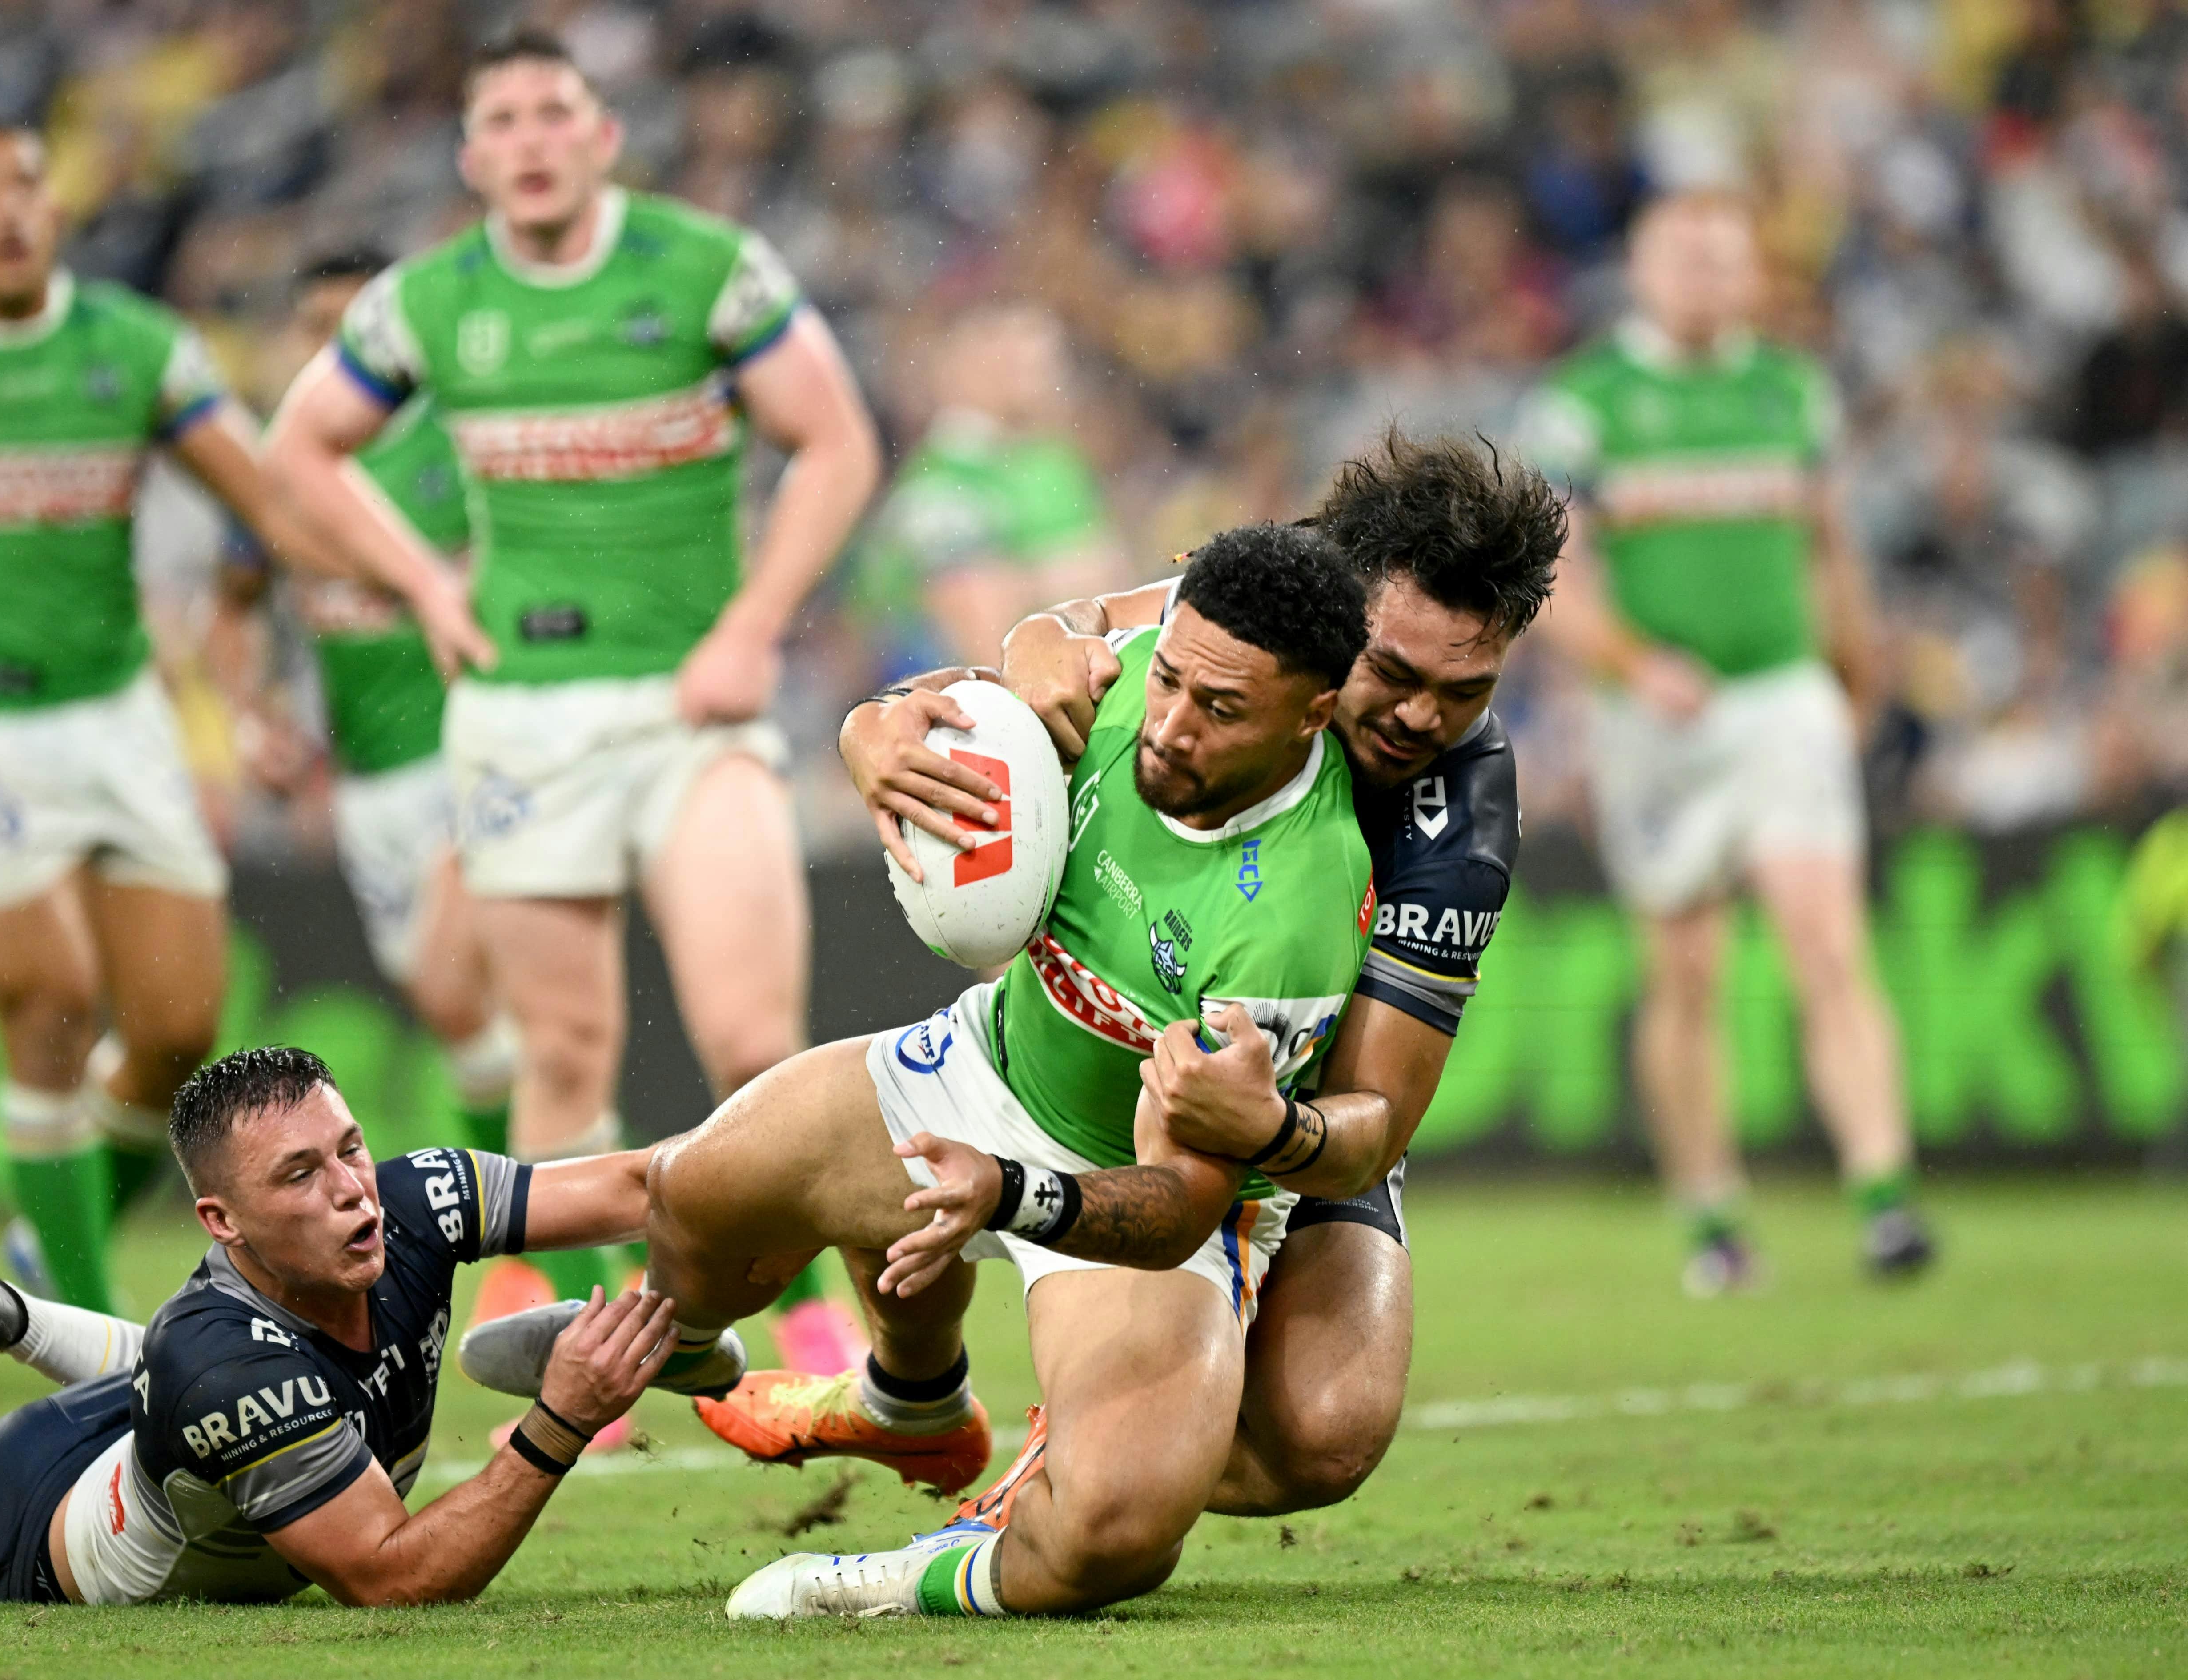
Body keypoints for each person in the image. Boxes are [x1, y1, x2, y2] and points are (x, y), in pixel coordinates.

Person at [0, 122, 490, 1317]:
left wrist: (411, 579)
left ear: (53, 209)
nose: (10, 208)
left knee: (180, 1030)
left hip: (121, 717)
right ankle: (74, 1326)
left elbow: (270, 498)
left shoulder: (135, 349)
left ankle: (46, 1226)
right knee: (51, 1003)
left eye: (26, 183)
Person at [711, 431, 1560, 1531]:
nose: (1417, 717)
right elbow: (1080, 631)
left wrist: (1268, 1127)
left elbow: (1374, 1122)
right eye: (1392, 674)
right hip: (1120, 1030)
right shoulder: (1282, 600)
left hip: (1279, 1095)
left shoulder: (1461, 821)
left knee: (1324, 1435)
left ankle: (1082, 1436)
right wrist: (954, 685)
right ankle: (923, 1394)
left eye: (1463, 691)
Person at [575, 522, 1378, 1620]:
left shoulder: (1293, 914)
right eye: (1174, 677)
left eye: (1220, 709)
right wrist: (872, 729)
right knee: (691, 1195)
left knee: (1112, 1532)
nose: (1171, 724)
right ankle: (905, 1396)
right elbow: (938, 706)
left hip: (1138, 1194)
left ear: (1312, 715)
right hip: (982, 1063)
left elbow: (1182, 1205)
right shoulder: (1121, 677)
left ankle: (900, 1577)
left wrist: (1007, 1191)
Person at [264, 27, 880, 1373]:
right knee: (561, 1052)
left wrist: (752, 626)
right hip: (520, 718)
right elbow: (298, 447)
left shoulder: (705, 267)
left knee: (752, 1039)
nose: (532, 139)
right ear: (471, 153)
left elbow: (837, 439)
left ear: (603, 137)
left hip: (688, 712)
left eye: (557, 112)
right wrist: (428, 585)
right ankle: (593, 1334)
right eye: (504, 118)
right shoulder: (430, 301)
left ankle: (809, 1317)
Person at [0, 1046, 707, 1605]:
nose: (353, 1190)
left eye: (350, 1147)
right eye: (300, 1174)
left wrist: (809, 1170)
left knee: (211, 1378)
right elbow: (390, 1574)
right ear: (222, 1218)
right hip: (28, 1519)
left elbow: (642, 1182)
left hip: (179, 1420)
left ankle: (2, 1305)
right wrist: (559, 1420)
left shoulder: (414, 1199)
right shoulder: (223, 1364)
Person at [1517, 190, 1935, 1293]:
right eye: (1685, 258)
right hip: (1652, 718)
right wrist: (1632, 663)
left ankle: (1883, 1193)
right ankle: (1710, 1210)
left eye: (1724, 259)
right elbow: (1550, 576)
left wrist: (1857, 672)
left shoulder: (1790, 391)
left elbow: (1830, 547)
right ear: (1643, 272)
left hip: (1778, 700)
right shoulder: (1585, 404)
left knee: (1824, 938)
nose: (1706, 277)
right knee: (1686, 965)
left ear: (1752, 275)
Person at [208, 249, 523, 1168]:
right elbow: (230, 607)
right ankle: (586, 1214)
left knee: (454, 987)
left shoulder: (455, 445)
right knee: (468, 1015)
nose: (337, 348)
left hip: (469, 747)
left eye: (358, 327)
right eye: (318, 328)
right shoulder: (277, 471)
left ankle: (557, 1242)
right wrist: (250, 712)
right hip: (365, 777)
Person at [851, 304, 1123, 675]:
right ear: (963, 365)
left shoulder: (1057, 462)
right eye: (1018, 357)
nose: (1046, 374)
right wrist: (1073, 576)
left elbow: (1121, 590)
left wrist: (1033, 581)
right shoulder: (937, 488)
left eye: (1049, 358)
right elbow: (987, 645)